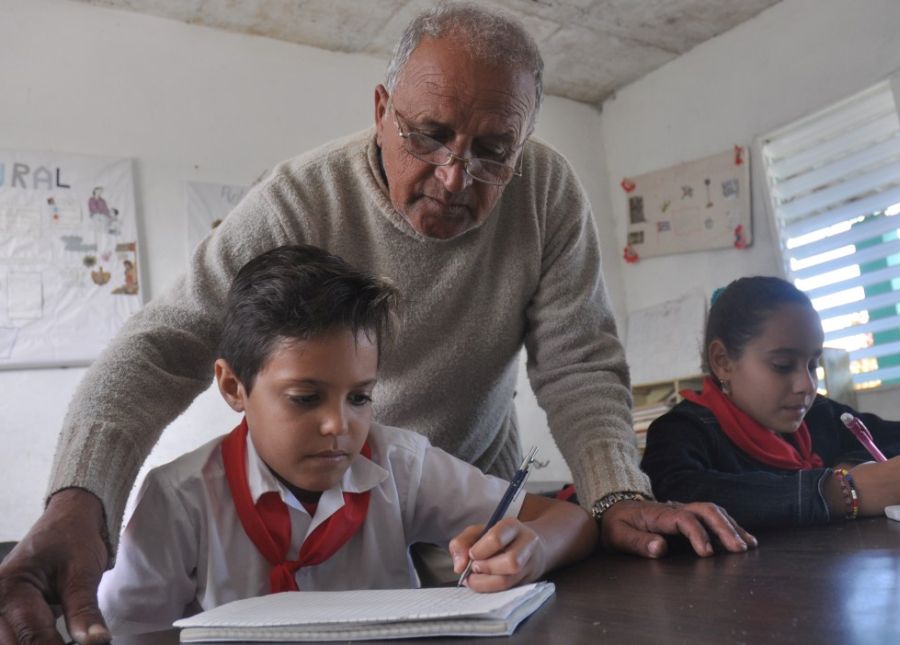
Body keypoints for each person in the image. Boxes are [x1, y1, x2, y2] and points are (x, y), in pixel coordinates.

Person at [0, 4, 754, 644]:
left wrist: (615, 494)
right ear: (380, 112)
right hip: (349, 530)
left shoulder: (546, 192)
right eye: (429, 134)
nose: (456, 176)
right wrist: (80, 500)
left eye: (494, 151)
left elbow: (580, 363)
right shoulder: (298, 202)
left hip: (478, 532)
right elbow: (160, 348)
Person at [97, 244, 597, 633]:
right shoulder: (178, 499)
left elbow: (571, 521)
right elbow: (132, 633)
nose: (339, 426)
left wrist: (533, 548)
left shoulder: (399, 465)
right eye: (304, 397)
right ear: (233, 387)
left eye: (359, 398)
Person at [641, 276, 900, 528]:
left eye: (812, 365)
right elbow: (675, 497)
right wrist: (837, 492)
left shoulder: (818, 414)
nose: (807, 385)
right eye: (783, 365)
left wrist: (849, 465)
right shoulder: (681, 431)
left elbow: (889, 436)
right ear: (722, 361)